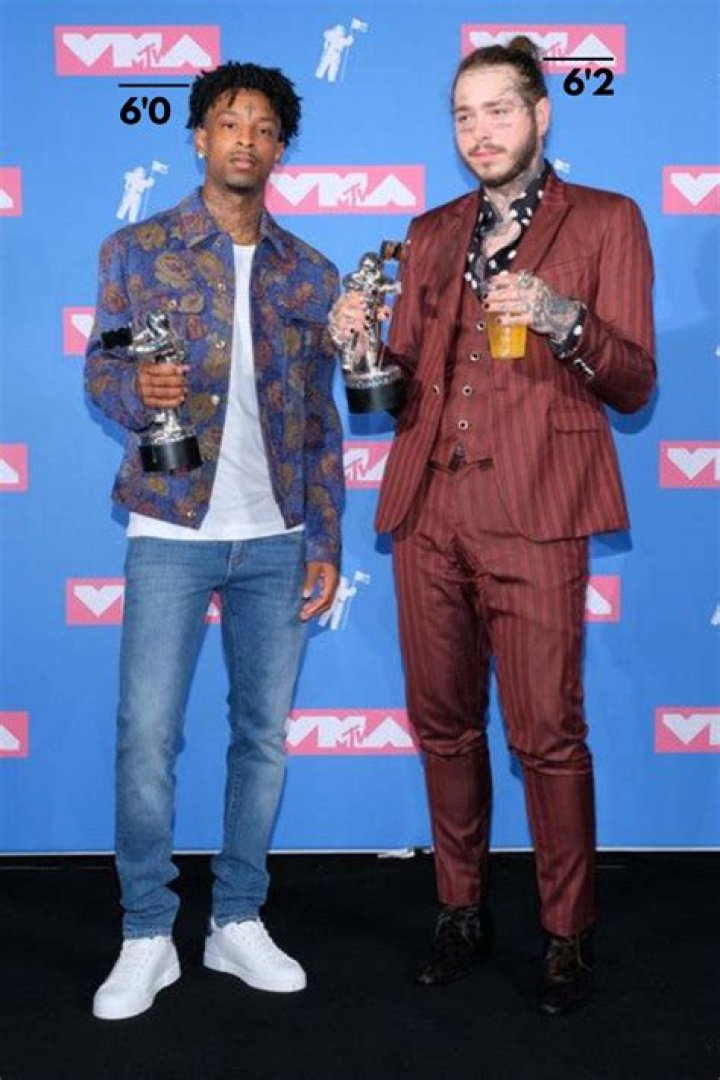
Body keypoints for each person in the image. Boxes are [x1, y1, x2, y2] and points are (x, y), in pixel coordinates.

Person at [329, 37, 655, 1015]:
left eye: (499, 110)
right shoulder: (430, 233)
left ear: (541, 114)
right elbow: (401, 384)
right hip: (429, 510)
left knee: (548, 733)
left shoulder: (607, 219)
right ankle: (461, 912)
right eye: (464, 116)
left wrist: (564, 317)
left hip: (539, 512)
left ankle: (567, 934)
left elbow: (635, 381)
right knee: (443, 725)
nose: (480, 132)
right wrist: (360, 351)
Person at [85, 61, 344, 1020]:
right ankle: (146, 932)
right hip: (171, 529)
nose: (246, 139)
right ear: (199, 136)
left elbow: (323, 421)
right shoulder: (137, 250)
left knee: (261, 739)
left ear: (280, 149)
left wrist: (327, 539)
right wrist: (133, 390)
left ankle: (236, 919)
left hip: (278, 538)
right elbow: (100, 370)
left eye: (265, 127)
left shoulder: (310, 272)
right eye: (230, 122)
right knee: (147, 735)